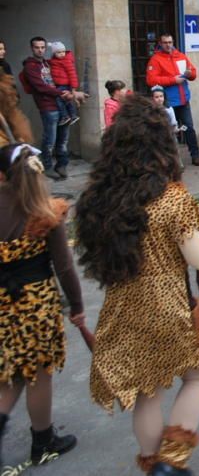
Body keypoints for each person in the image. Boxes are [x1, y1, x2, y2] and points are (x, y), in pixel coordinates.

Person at [76, 97, 199, 473]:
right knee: (198, 375)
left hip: (122, 306)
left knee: (147, 391)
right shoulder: (171, 198)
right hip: (169, 304)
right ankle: (173, 458)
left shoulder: (99, 198)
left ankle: (155, 464)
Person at [0, 143, 84, 467]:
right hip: (35, 303)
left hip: (3, 303)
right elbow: (64, 267)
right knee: (36, 374)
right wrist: (76, 305)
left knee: (9, 375)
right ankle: (43, 440)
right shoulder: (46, 212)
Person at [21, 37, 81, 180]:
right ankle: (47, 166)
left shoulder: (48, 63)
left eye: (42, 47)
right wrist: (62, 93)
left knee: (63, 139)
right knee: (50, 139)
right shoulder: (30, 66)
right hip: (48, 106)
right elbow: (40, 86)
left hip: (61, 105)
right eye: (37, 47)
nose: (40, 50)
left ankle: (62, 164)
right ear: (32, 48)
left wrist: (70, 91)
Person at [145, 32, 199, 166]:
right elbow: (151, 80)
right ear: (160, 43)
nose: (168, 45)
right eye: (165, 43)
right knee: (169, 130)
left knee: (189, 127)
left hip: (183, 99)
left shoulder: (180, 56)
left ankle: (195, 155)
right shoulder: (156, 59)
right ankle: (171, 159)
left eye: (170, 42)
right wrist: (172, 80)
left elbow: (193, 73)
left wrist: (190, 74)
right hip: (167, 101)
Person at [47, 41, 82, 126]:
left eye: (63, 52)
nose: (62, 54)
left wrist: (73, 88)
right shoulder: (54, 61)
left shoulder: (66, 61)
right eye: (59, 52)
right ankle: (73, 116)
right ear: (54, 53)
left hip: (64, 85)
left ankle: (65, 116)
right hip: (60, 84)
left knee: (58, 99)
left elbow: (72, 74)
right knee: (66, 101)